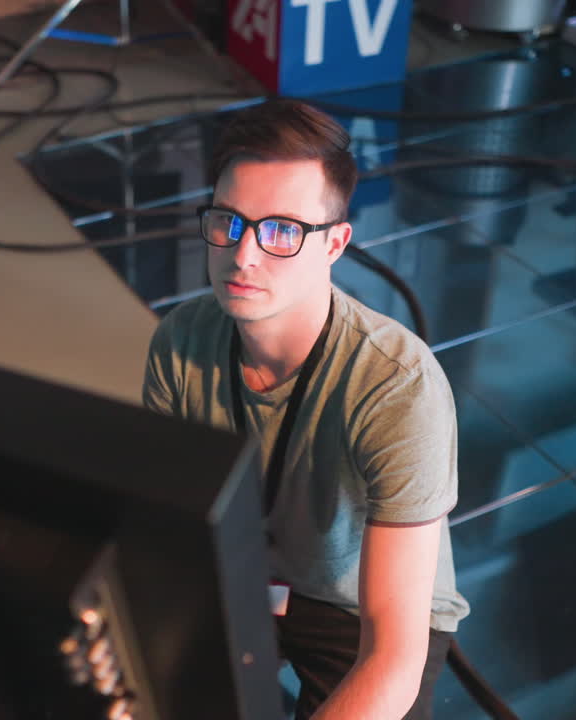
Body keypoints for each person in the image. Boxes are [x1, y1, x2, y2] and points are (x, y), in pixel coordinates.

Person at [141, 99, 469, 720]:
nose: (243, 255)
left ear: (335, 244)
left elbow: (393, 656)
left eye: (282, 231)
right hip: (239, 571)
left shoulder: (397, 387)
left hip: (355, 605)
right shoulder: (180, 343)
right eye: (228, 221)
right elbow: (168, 530)